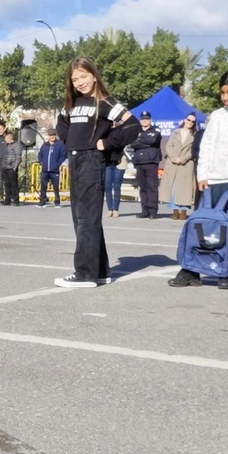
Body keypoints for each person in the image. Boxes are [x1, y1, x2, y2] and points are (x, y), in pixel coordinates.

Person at [169, 69, 228, 290]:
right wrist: (202, 175)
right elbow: (207, 146)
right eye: (222, 92)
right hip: (211, 183)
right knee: (201, 226)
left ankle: (226, 270)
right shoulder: (217, 116)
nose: (225, 97)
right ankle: (191, 270)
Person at [52, 57, 135, 288]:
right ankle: (99, 271)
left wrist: (106, 143)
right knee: (82, 218)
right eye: (74, 78)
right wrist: (69, 140)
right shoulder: (71, 103)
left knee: (87, 219)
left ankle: (84, 273)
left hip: (91, 162)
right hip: (75, 161)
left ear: (94, 75)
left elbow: (133, 126)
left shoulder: (105, 102)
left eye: (84, 76)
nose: (79, 82)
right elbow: (61, 122)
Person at [160, 113, 198, 220]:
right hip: (172, 163)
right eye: (188, 120)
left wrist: (182, 159)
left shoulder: (194, 135)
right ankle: (175, 211)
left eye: (192, 121)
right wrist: (173, 157)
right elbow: (168, 146)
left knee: (185, 189)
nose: (190, 122)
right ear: (184, 120)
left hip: (185, 164)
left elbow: (192, 151)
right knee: (173, 188)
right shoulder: (175, 132)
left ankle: (184, 211)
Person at [127, 110, 162, 218]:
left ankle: (152, 211)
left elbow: (153, 140)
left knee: (152, 187)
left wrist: (140, 141)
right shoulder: (136, 131)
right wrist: (145, 142)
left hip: (151, 162)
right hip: (139, 162)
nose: (144, 121)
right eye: (143, 119)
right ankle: (144, 210)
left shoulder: (155, 129)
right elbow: (132, 144)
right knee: (142, 187)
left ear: (150, 120)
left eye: (146, 119)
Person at [36, 128, 66, 207]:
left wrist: (57, 164)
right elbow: (40, 154)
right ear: (48, 136)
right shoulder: (45, 145)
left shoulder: (60, 144)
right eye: (50, 135)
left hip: (54, 170)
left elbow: (62, 156)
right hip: (45, 170)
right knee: (43, 186)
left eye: (53, 135)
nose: (52, 137)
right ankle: (42, 201)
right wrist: (41, 162)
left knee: (56, 187)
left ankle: (57, 202)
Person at [0, 130, 23, 206]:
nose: (5, 139)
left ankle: (16, 200)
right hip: (5, 167)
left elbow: (18, 157)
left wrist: (15, 167)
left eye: (6, 138)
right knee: (7, 184)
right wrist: (3, 165)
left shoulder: (17, 145)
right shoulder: (6, 145)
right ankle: (7, 200)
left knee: (14, 184)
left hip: (12, 167)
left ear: (10, 138)